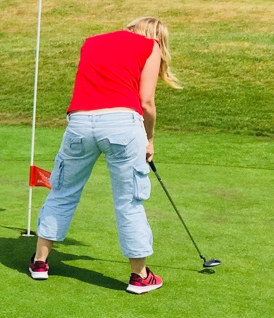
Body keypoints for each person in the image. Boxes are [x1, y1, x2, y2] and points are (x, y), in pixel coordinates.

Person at [28, 17, 181, 293]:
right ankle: (140, 276)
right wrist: (149, 139)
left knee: (62, 191)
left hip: (80, 123)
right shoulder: (151, 45)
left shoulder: (92, 42)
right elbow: (146, 101)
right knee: (129, 201)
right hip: (123, 124)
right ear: (155, 35)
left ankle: (40, 262)